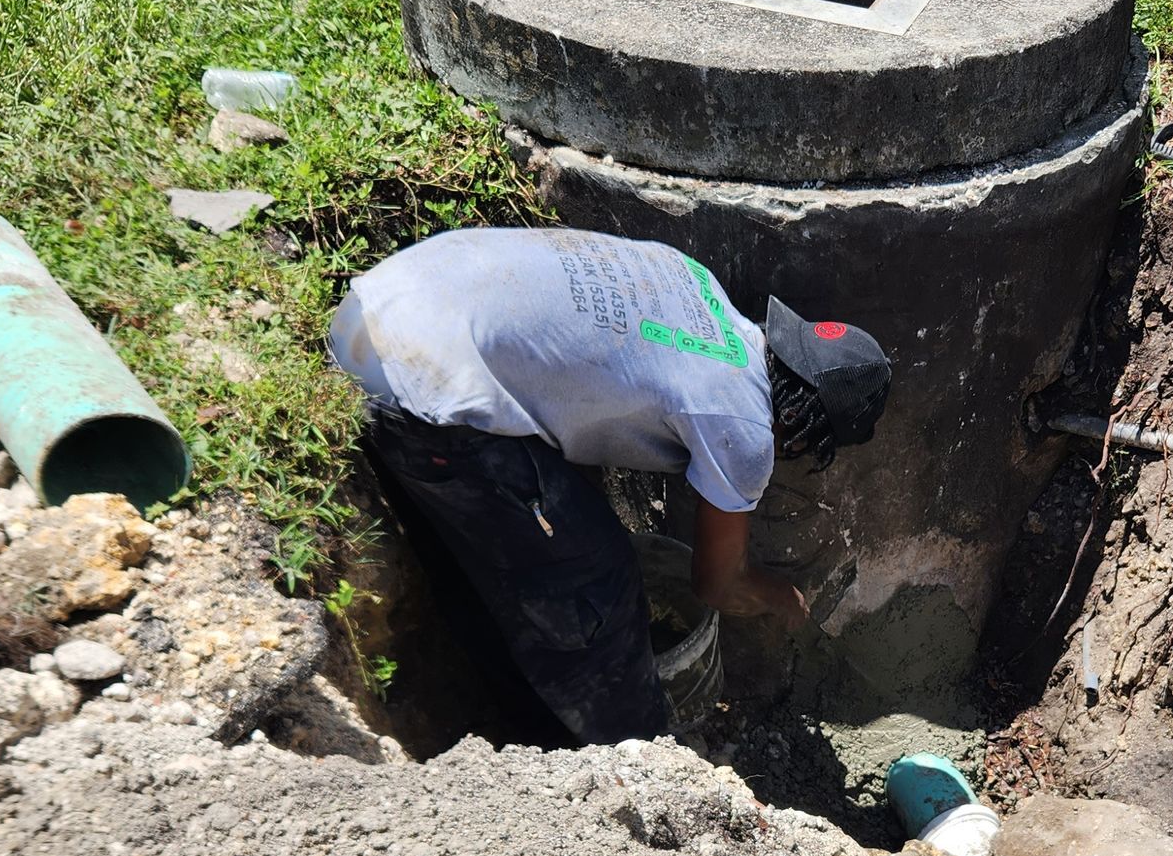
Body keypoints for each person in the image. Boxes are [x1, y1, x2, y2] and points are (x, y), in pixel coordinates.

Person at [327, 226, 890, 744]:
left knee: (538, 540)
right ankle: (631, 759)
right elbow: (718, 586)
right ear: (800, 423)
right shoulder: (743, 427)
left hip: (381, 303)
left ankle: (513, 691)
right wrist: (781, 601)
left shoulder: (699, 285)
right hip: (416, 393)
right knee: (597, 580)